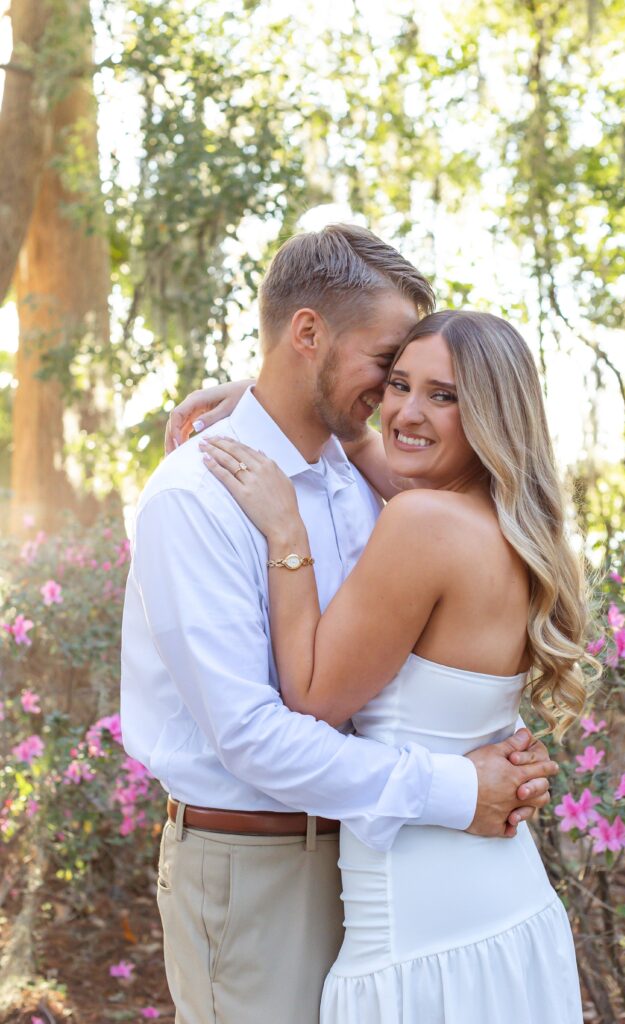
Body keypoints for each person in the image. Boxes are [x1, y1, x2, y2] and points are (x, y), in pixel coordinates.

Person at [121, 225, 557, 1024]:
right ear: (308, 333)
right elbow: (254, 734)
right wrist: (457, 784)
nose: (393, 396)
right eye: (386, 368)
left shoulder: (360, 474)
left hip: (378, 857)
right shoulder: (194, 499)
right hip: (258, 870)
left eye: (414, 381)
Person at [197, 309, 592, 1023]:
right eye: (397, 385)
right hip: (504, 905)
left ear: (493, 415)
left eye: (443, 396)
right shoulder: (499, 525)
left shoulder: (422, 523)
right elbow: (374, 441)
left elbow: (313, 698)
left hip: (420, 927)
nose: (407, 412)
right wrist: (263, 400)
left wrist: (286, 532)